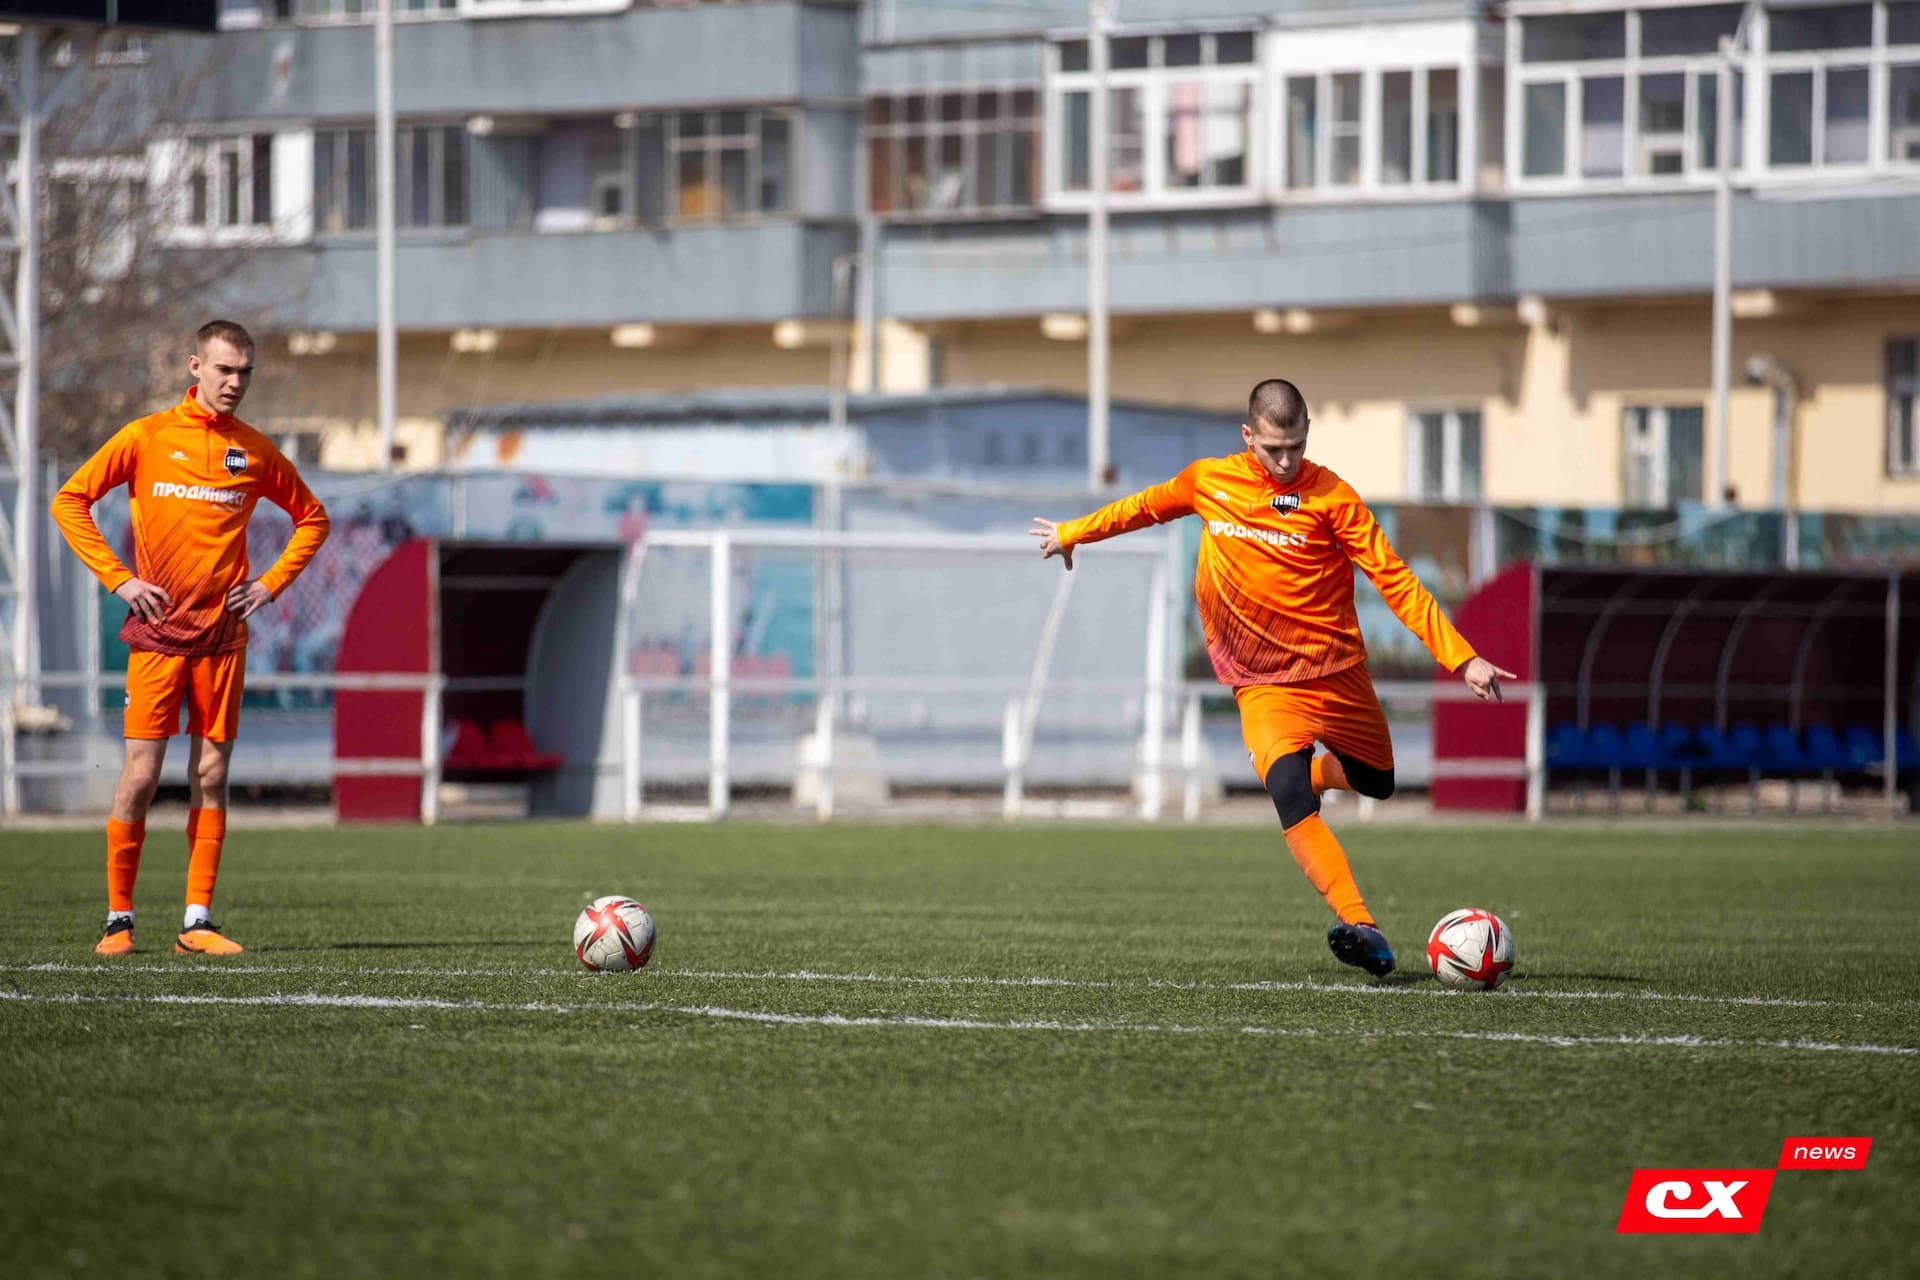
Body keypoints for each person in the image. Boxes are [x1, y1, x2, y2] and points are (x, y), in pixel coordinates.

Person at [1030, 378, 1511, 978]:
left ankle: (1315, 773)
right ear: (1247, 436)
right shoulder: (1210, 481)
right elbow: (1145, 506)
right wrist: (1073, 532)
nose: (1286, 462)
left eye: (1297, 447)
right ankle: (1364, 927)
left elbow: (1394, 578)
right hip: (1262, 684)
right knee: (1287, 792)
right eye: (1273, 449)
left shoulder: (1333, 497)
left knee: (1379, 782)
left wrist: (1462, 658)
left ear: (1308, 434)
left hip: (1336, 674)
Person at [51, 320, 330, 957]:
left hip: (222, 639)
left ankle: (196, 922)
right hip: (157, 637)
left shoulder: (254, 450)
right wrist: (120, 580)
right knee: (140, 777)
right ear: (194, 366)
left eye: (245, 372)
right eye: (224, 369)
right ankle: (118, 920)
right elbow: (70, 501)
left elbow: (312, 519)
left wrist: (270, 585)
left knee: (211, 773)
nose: (235, 382)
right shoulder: (146, 436)